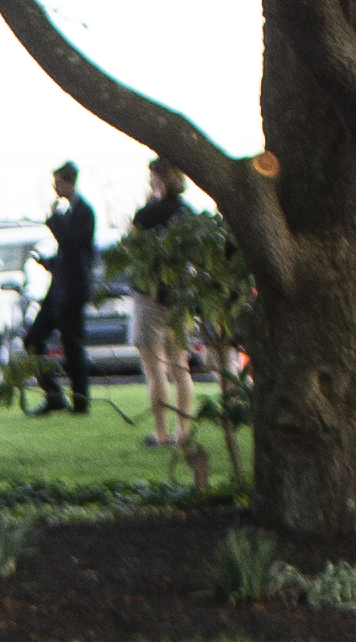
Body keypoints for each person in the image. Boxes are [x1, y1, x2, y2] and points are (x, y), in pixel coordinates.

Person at [124, 159, 204, 471]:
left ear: (157, 179)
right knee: (180, 367)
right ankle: (182, 432)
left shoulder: (148, 214)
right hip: (181, 297)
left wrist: (147, 205)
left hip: (151, 296)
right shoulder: (188, 214)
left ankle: (160, 433)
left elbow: (130, 244)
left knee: (154, 368)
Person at [29, 161, 97, 413]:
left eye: (58, 182)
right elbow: (68, 254)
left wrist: (53, 218)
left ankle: (80, 402)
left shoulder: (84, 212)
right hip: (58, 289)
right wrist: (49, 263)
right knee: (33, 341)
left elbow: (73, 243)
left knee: (72, 346)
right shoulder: (70, 211)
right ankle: (53, 395)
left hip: (72, 292)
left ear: (69, 182)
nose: (55, 187)